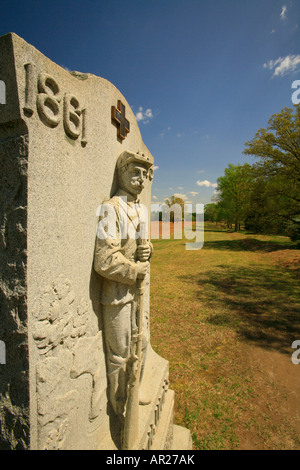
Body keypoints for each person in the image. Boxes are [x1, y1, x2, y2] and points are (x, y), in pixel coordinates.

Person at [94, 150, 154, 419]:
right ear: (121, 173)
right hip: (117, 294)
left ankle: (134, 390)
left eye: (145, 175)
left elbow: (142, 246)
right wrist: (134, 269)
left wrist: (148, 250)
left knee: (140, 344)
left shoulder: (141, 209)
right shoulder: (110, 207)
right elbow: (104, 260)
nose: (141, 180)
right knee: (119, 353)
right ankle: (120, 408)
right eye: (135, 173)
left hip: (138, 292)